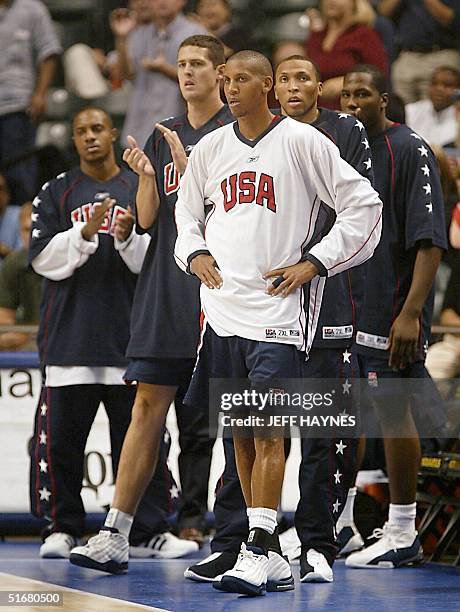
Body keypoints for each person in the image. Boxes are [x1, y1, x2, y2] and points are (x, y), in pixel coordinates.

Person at [174, 50, 382, 596]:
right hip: (222, 312)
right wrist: (193, 253)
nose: (229, 87)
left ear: (266, 84)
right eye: (224, 79)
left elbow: (364, 205)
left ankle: (262, 547)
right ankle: (256, 545)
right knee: (240, 432)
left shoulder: (303, 141)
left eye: (240, 78)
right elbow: (186, 215)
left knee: (269, 430)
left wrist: (315, 262)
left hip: (279, 312)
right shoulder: (212, 147)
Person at [69, 35, 234, 574]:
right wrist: (146, 177)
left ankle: (243, 536)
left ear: (222, 71)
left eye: (197, 65)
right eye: (181, 65)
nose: (186, 73)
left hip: (221, 291)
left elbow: (228, 219)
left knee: (233, 420)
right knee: (146, 409)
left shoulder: (240, 134)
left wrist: (191, 177)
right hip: (165, 291)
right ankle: (116, 533)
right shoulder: (167, 135)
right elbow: (145, 220)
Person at [28, 107, 182, 561]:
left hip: (131, 341)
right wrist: (84, 233)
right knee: (60, 446)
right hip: (69, 342)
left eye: (98, 128)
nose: (90, 137)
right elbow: (42, 260)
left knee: (141, 439)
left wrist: (128, 237)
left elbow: (154, 258)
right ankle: (62, 527)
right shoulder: (56, 191)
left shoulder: (139, 186)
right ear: (74, 140)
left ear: (113, 133)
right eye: (81, 131)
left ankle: (149, 529)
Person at [339, 64, 447, 568]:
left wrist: (411, 315)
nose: (353, 102)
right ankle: (339, 525)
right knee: (349, 415)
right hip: (348, 303)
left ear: (384, 99)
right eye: (346, 95)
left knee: (391, 410)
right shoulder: (340, 148)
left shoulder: (411, 149)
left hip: (393, 306)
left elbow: (429, 242)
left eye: (363, 93)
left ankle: (403, 529)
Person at [111, 0, 208, 147]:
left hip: (178, 128)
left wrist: (165, 70)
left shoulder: (196, 33)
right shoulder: (138, 33)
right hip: (139, 128)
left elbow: (204, 82)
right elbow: (125, 75)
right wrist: (122, 39)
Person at [0, 0, 61, 205]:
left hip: (17, 106)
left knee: (20, 179)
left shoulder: (32, 9)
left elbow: (49, 52)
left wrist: (40, 94)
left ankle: (22, 233)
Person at [306, 0, 388, 109]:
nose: (330, 2)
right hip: (316, 110)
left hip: (354, 110)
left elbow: (379, 75)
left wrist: (348, 82)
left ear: (354, 3)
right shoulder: (317, 35)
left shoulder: (365, 35)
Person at [378, 0, 460, 104]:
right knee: (400, 110)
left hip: (440, 54)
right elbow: (383, 12)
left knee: (435, 111)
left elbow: (449, 19)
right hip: (407, 55)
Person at [0, 201, 41, 351]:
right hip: (28, 345)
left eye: (38, 229)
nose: (32, 236)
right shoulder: (13, 264)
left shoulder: (71, 260)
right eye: (26, 230)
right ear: (19, 233)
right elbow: (3, 321)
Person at [405, 66, 460, 147]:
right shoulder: (411, 110)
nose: (439, 89)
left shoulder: (457, 115)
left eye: (447, 85)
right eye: (434, 84)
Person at [0, 173, 21, 262]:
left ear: (7, 194)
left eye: (0, 189)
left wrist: (4, 250)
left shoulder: (19, 216)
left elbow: (25, 260)